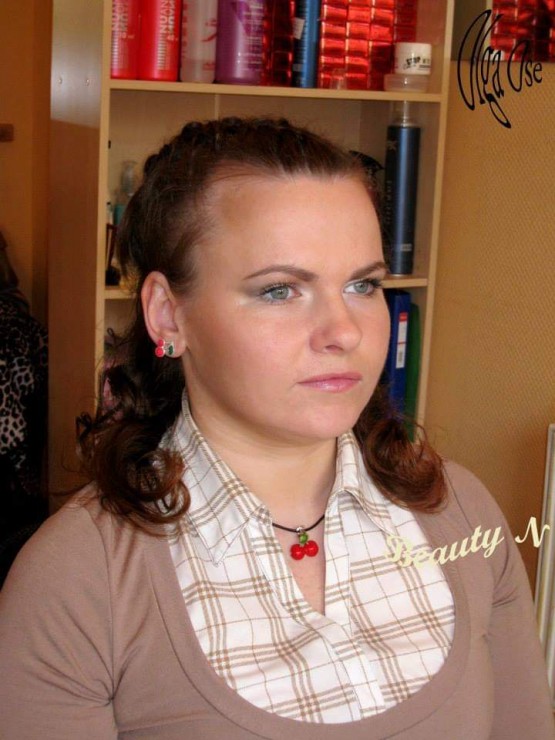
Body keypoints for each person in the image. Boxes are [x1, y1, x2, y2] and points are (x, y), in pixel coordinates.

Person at [0, 117, 553, 739]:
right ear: (168, 314)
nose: (344, 332)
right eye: (279, 290)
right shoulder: (76, 582)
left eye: (363, 284)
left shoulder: (463, 513)